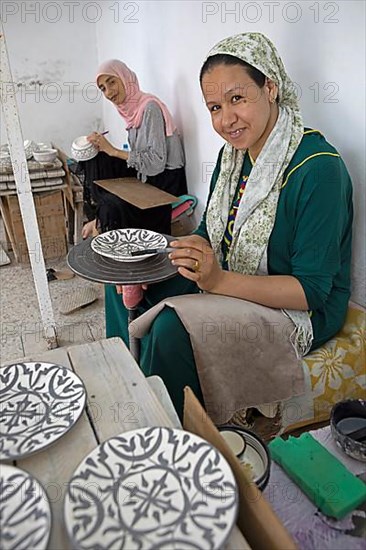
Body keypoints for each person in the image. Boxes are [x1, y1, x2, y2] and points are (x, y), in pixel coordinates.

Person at [106, 33, 353, 422]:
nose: (225, 120)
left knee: (174, 329)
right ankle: (132, 385)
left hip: (301, 309)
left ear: (270, 88)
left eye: (238, 99)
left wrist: (216, 281)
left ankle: (175, 435)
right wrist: (167, 253)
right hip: (233, 274)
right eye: (215, 107)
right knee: (121, 274)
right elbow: (210, 233)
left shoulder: (318, 169)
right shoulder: (233, 156)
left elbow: (311, 291)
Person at [80, 59, 187, 238]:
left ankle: (103, 220)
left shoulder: (150, 107)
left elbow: (156, 163)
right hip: (147, 175)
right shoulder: (130, 110)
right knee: (97, 158)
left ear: (125, 77)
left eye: (112, 81)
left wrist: (113, 150)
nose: (109, 91)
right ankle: (100, 213)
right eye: (103, 88)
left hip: (165, 182)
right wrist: (103, 148)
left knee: (113, 204)